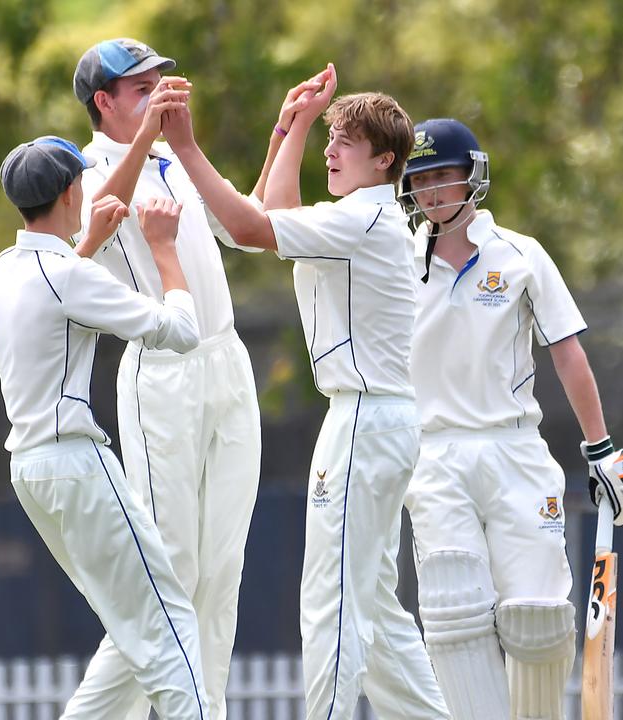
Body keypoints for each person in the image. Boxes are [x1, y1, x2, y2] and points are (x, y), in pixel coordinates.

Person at [160, 65, 450, 718]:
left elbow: (256, 226)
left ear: (383, 161)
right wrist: (288, 129)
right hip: (375, 421)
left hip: (365, 422)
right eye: (330, 137)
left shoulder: (364, 222)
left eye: (344, 141)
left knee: (332, 603)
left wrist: (184, 146)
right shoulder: (363, 218)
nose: (331, 150)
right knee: (374, 609)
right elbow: (260, 223)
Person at [399, 118, 623, 720]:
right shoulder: (395, 260)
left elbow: (568, 352)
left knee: (538, 617)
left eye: (444, 176)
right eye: (421, 180)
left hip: (513, 449)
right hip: (431, 454)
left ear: (472, 177)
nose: (433, 192)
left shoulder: (521, 255)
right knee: (455, 614)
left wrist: (600, 449)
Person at [65, 38, 264, 720]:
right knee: (169, 571)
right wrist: (150, 135)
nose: (158, 94)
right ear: (104, 101)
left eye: (160, 83)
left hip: (226, 363)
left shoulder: (172, 160)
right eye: (140, 87)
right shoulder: (86, 168)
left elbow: (246, 223)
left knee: (221, 570)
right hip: (163, 376)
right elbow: (93, 223)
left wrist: (286, 130)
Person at [0, 135, 210, 719]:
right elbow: (182, 333)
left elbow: (54, 291)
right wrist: (164, 250)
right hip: (76, 466)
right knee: (168, 624)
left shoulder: (6, 268)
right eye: (80, 183)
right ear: (69, 193)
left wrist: (86, 243)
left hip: (32, 471)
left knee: (132, 628)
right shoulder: (67, 275)